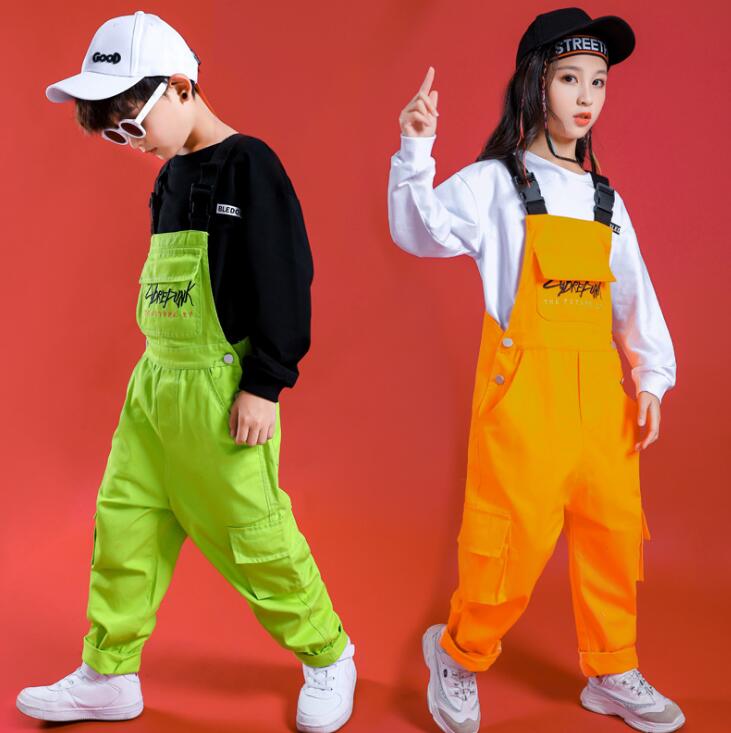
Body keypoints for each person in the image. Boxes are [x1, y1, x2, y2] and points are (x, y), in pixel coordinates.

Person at [17, 11, 356, 733]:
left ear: (178, 87)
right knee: (124, 525)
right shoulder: (169, 177)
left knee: (253, 533)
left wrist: (265, 382)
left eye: (131, 124)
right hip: (153, 388)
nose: (130, 142)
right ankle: (109, 672)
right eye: (114, 134)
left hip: (220, 389)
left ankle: (329, 654)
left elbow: (285, 276)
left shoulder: (250, 165)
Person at [387, 7, 684, 733]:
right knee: (508, 541)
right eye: (569, 78)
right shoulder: (496, 182)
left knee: (613, 535)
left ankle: (611, 668)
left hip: (602, 405)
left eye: (598, 81)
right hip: (523, 398)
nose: (586, 97)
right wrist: (415, 148)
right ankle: (458, 653)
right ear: (534, 84)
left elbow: (633, 297)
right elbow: (418, 231)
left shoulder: (604, 198)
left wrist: (649, 379)